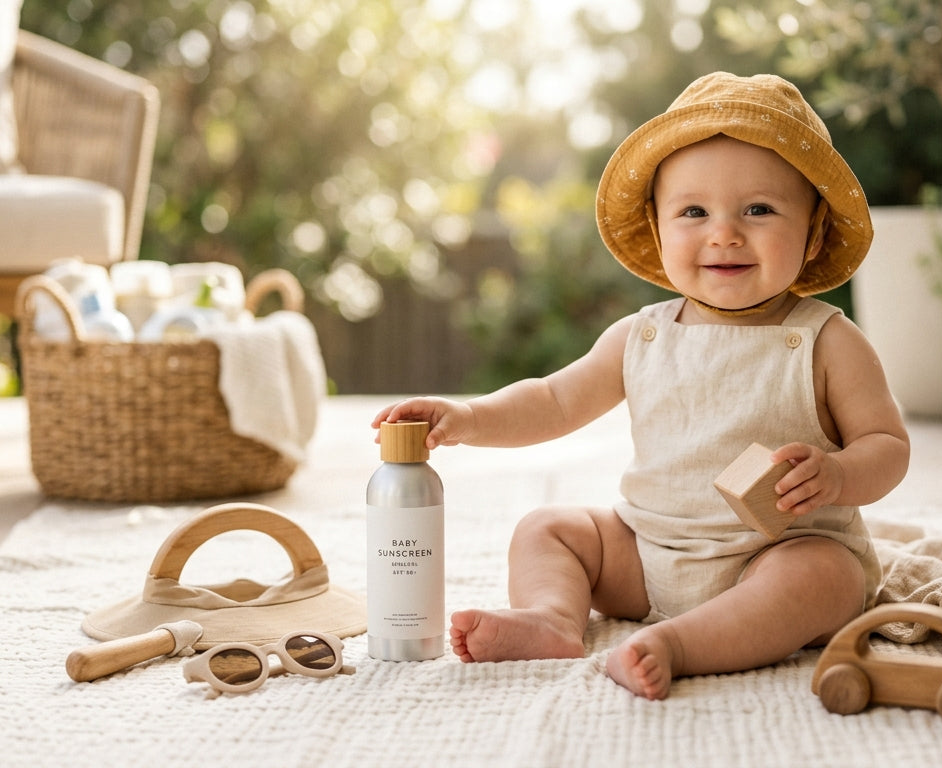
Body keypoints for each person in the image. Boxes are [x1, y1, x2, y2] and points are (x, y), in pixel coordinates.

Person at [372, 72, 909, 700]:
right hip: (648, 551)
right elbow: (553, 399)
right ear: (658, 229)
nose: (724, 233)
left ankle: (681, 645)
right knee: (546, 528)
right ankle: (552, 619)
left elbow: (887, 445)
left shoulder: (827, 340)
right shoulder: (643, 335)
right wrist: (468, 417)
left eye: (759, 209)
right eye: (693, 212)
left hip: (775, 552)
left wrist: (838, 475)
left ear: (814, 230)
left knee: (825, 579)